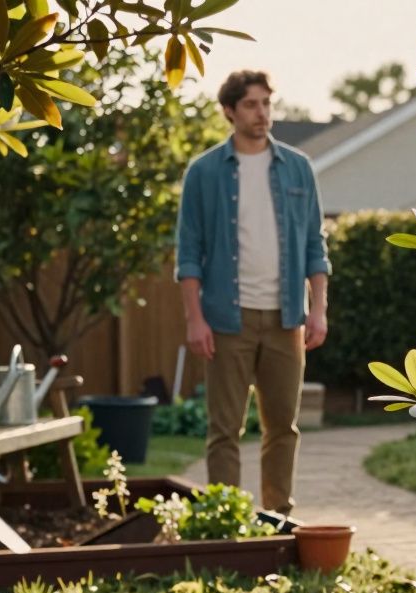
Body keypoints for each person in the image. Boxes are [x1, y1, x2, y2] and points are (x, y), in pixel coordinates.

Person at [175, 70, 330, 516]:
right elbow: (189, 253)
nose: (262, 113)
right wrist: (194, 318)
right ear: (229, 111)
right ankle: (227, 520)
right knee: (224, 429)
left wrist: (318, 309)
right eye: (251, 105)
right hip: (226, 319)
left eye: (266, 103)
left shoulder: (298, 167)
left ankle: (277, 517)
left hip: (286, 318)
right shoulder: (204, 172)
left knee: (283, 426)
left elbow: (314, 245)